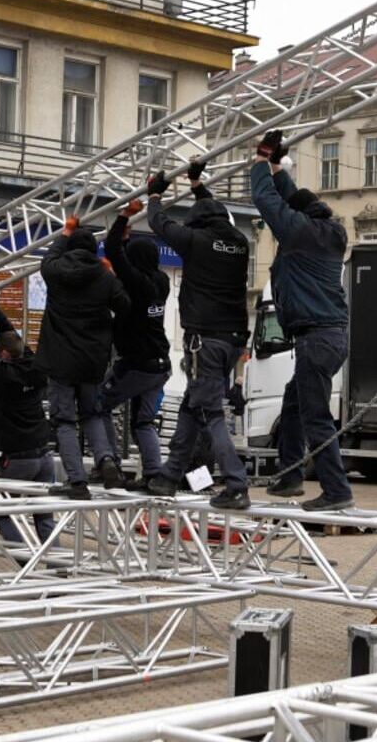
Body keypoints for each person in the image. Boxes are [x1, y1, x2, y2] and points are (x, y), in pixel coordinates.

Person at [249, 130, 354, 512]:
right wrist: (278, 168)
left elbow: (266, 201)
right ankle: (290, 476)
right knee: (294, 406)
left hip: (315, 337)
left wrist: (261, 162)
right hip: (331, 336)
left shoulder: (298, 231)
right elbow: (293, 199)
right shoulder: (330, 232)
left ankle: (337, 492)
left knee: (315, 416)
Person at [141, 165, 252, 511]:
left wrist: (155, 195)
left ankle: (236, 484)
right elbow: (214, 214)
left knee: (210, 414)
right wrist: (197, 186)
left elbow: (160, 224)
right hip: (232, 339)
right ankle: (170, 476)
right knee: (192, 407)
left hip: (205, 339)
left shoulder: (195, 240)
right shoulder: (240, 243)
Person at [36, 218, 130, 499]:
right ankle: (107, 460)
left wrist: (65, 232)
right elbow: (124, 306)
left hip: (60, 359)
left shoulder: (56, 269)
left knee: (64, 421)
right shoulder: (104, 277)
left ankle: (76, 482)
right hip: (92, 360)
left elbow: (50, 256)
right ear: (94, 251)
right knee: (92, 414)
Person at [0, 291, 58, 542]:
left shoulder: (2, 373)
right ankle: (58, 566)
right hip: (44, 456)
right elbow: (10, 335)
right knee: (44, 515)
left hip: (18, 459)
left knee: (2, 514)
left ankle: (26, 565)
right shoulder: (33, 364)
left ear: (3, 353)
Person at [96, 201, 173, 484]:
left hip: (137, 365)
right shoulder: (161, 281)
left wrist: (123, 217)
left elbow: (113, 250)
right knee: (142, 421)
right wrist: (128, 238)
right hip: (160, 366)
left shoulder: (137, 283)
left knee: (99, 404)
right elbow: (124, 255)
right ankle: (153, 473)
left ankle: (109, 464)